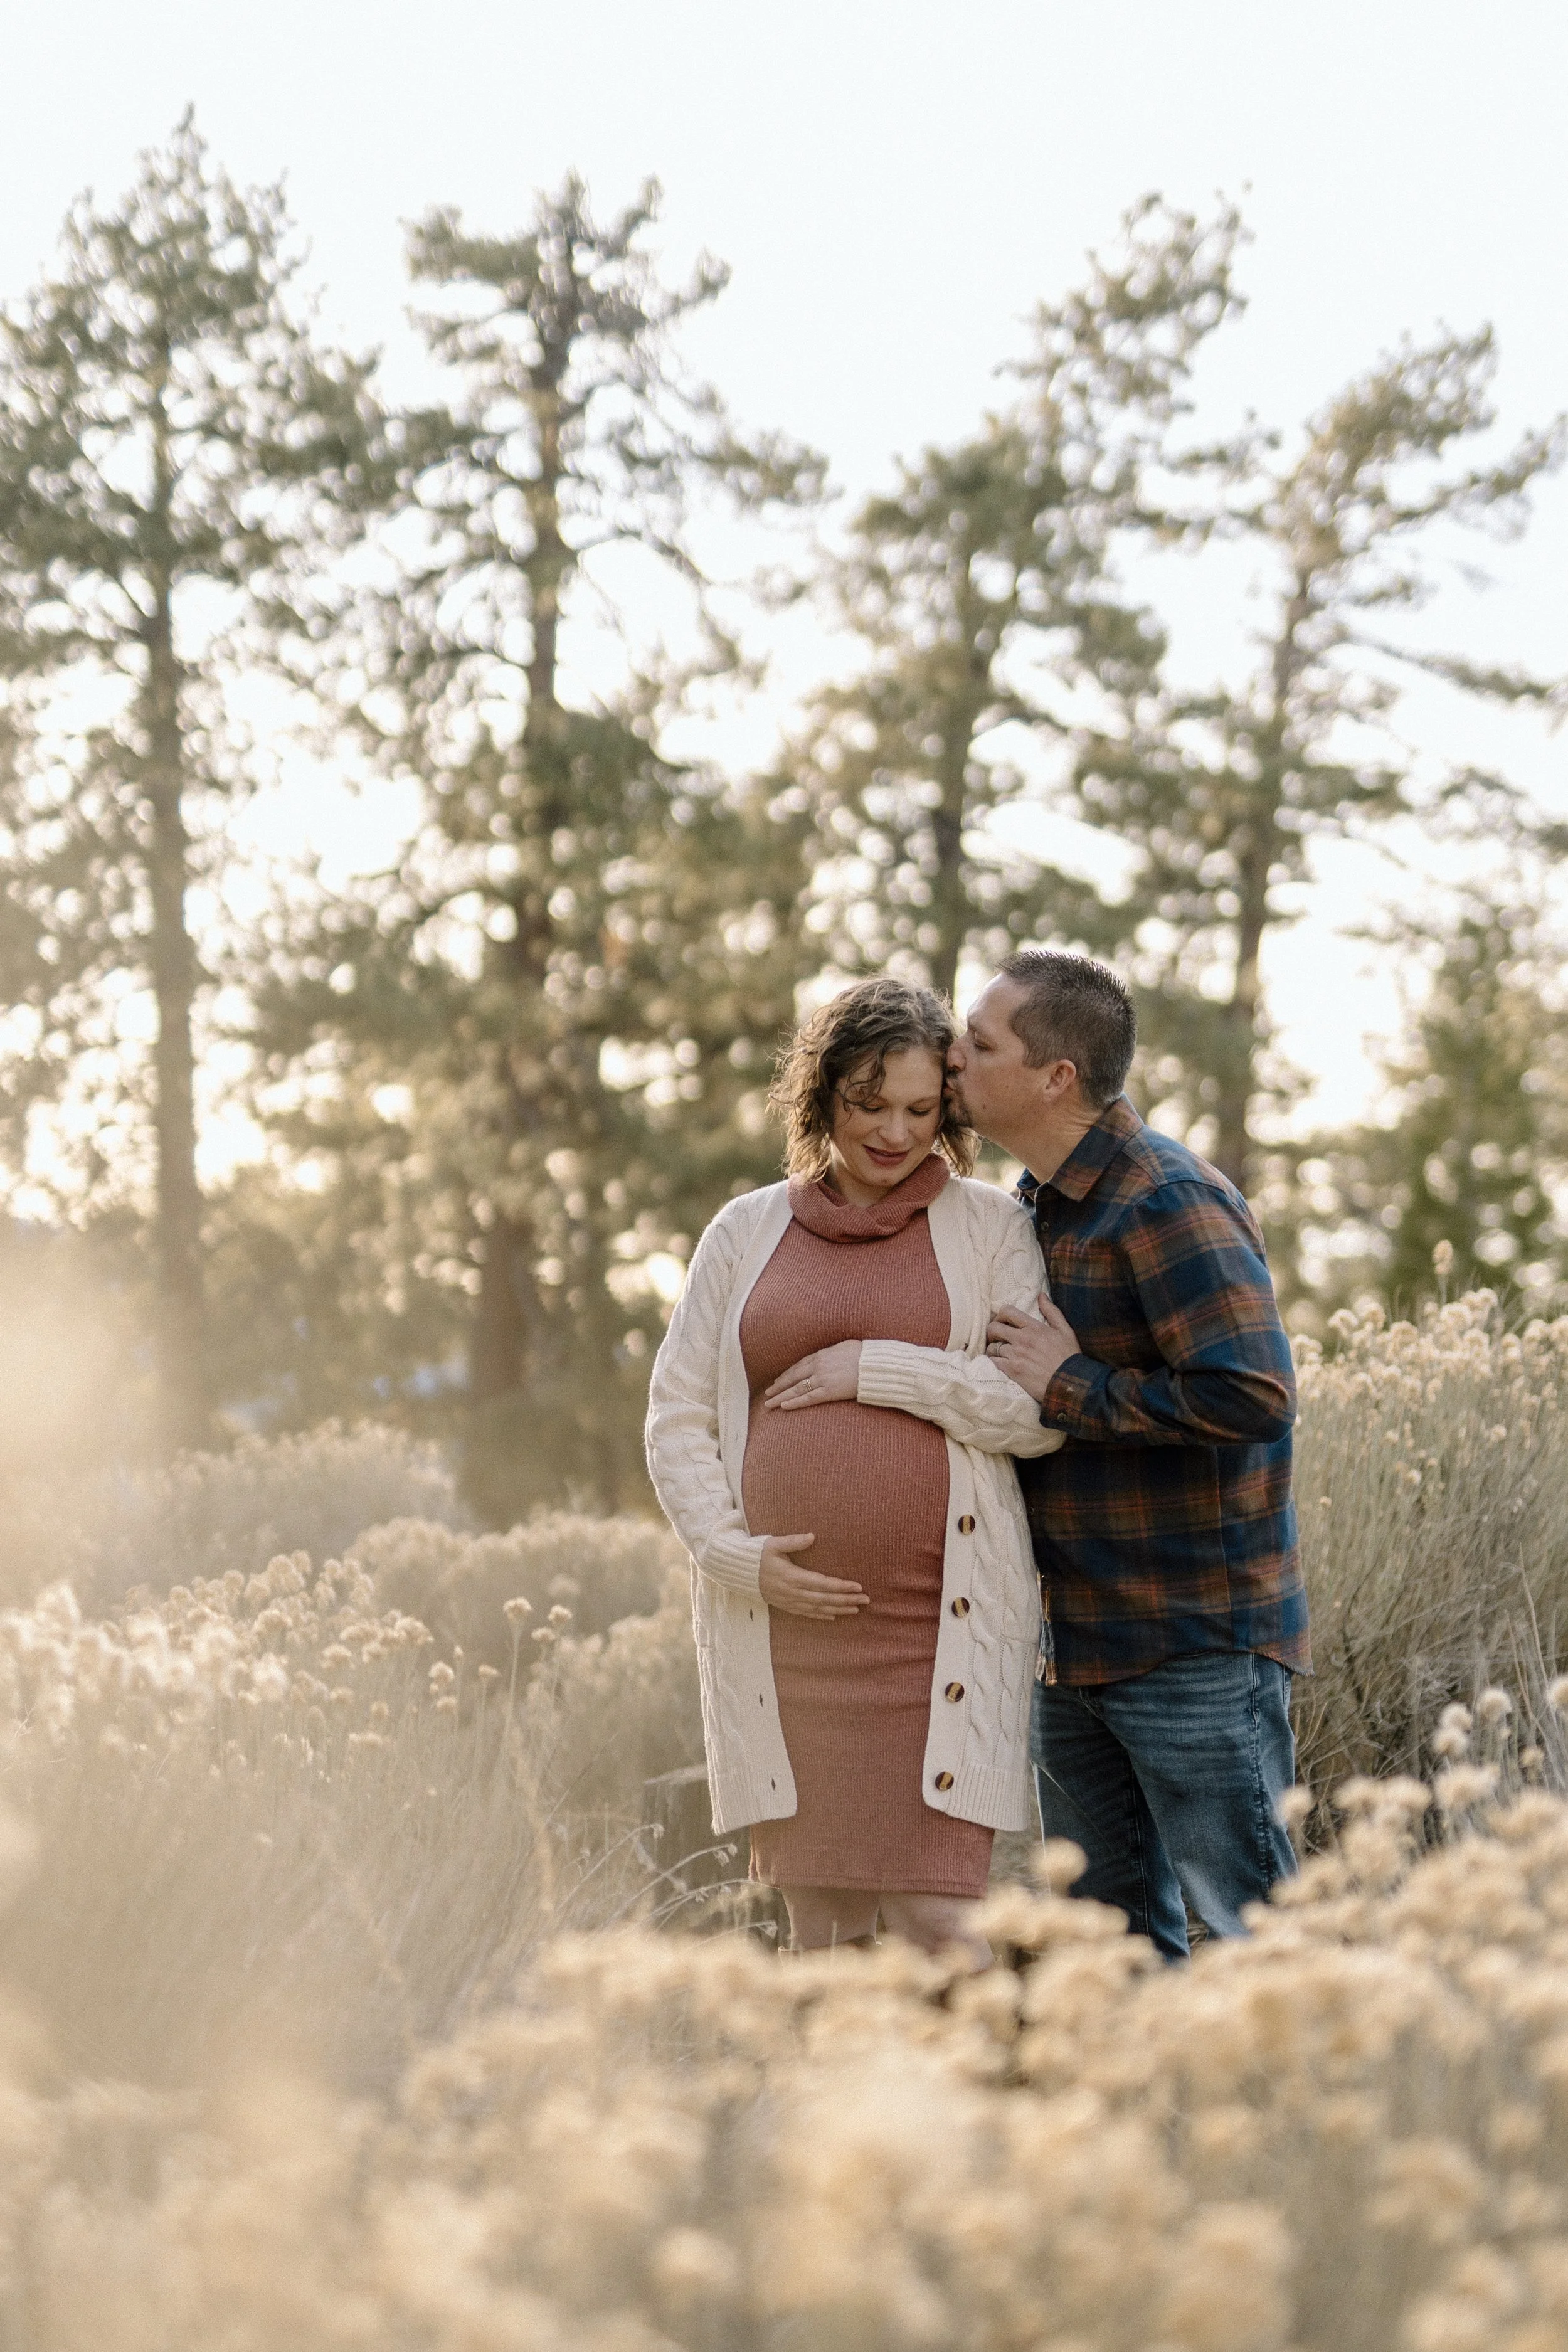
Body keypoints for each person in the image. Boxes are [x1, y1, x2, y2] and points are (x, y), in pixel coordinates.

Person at [645, 976, 1063, 1965]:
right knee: (821, 1926)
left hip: (941, 1629)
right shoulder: (745, 1232)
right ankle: (840, 2121)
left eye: (923, 1110)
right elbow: (676, 1415)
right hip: (786, 1633)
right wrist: (733, 1555)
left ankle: (1002, 2110)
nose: (895, 1132)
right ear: (823, 1093)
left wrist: (877, 1367)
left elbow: (1034, 1411)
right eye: (871, 1104)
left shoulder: (992, 1230)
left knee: (942, 1921)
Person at [945, 949, 1308, 1962]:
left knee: (1257, 1933)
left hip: (1192, 1640)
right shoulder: (1032, 1208)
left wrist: (1074, 1384)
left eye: (980, 1042)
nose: (953, 1057)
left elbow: (1256, 1394)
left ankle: (1317, 2121)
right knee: (1107, 1954)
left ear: (1056, 1075)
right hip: (1074, 1646)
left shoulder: (1167, 1198)